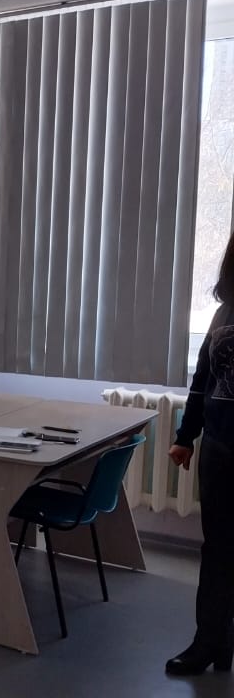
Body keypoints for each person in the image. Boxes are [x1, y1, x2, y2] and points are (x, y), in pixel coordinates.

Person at [167, 234, 234, 676]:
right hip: (220, 450)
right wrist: (185, 436)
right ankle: (211, 642)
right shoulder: (224, 312)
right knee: (218, 551)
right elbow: (202, 380)